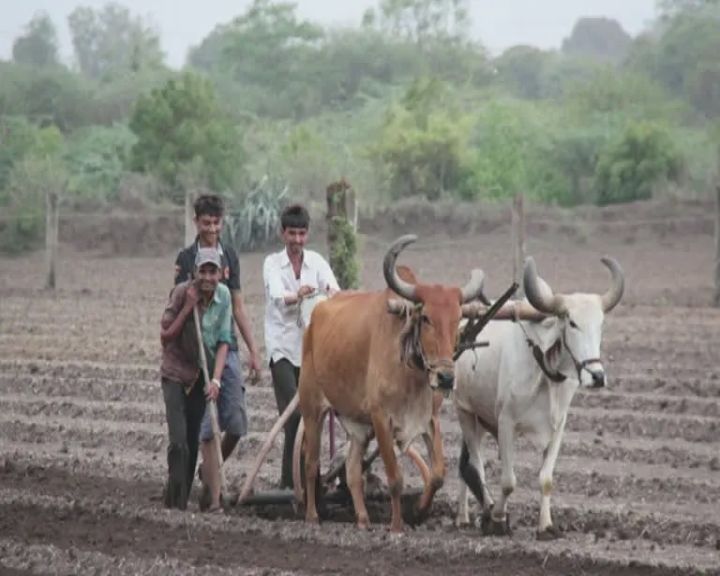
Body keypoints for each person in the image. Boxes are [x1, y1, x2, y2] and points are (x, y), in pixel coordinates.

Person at [174, 194, 260, 482]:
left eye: (216, 223)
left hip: (228, 346)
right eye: (206, 223)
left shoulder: (229, 256)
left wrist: (254, 351)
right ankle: (212, 489)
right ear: (196, 222)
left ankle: (211, 469)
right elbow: (177, 304)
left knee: (235, 421)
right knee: (207, 425)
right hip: (197, 351)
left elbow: (238, 306)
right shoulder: (186, 259)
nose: (211, 229)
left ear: (222, 223)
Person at [263, 204, 340, 489]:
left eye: (302, 234)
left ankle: (312, 481)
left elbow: (335, 292)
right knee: (294, 417)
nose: (297, 240)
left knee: (316, 415)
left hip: (313, 352)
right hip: (282, 349)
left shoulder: (317, 263)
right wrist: (297, 295)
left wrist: (326, 295)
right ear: (283, 234)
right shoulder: (272, 263)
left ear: (307, 235)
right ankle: (290, 484)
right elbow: (276, 296)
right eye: (292, 233)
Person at [160, 247, 231, 511]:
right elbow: (165, 336)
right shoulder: (181, 293)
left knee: (191, 442)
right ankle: (174, 503)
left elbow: (224, 341)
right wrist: (188, 307)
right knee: (178, 443)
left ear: (221, 275)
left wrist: (216, 380)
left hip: (201, 375)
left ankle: (179, 499)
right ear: (195, 273)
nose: (208, 278)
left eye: (213, 272)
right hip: (176, 373)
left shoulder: (223, 297)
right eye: (203, 271)